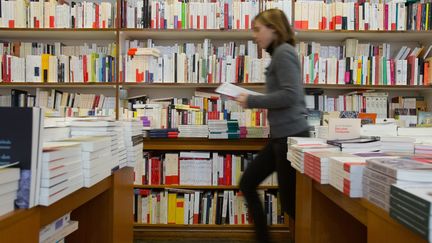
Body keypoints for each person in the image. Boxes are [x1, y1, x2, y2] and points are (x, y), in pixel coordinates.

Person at [236, 9, 310, 243]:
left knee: (291, 203)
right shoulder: (278, 54)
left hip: (291, 137)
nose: (254, 36)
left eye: (258, 29)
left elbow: (289, 95)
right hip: (281, 137)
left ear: (274, 29)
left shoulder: (284, 53)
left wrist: (252, 100)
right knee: (248, 182)